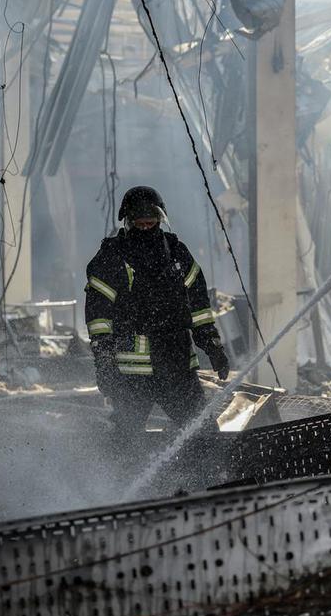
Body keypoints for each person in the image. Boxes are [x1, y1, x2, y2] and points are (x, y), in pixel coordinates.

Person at [85, 186, 230, 439]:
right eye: (139, 224)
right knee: (126, 439)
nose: (145, 229)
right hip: (132, 374)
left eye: (150, 223)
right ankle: (117, 478)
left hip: (176, 366)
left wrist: (213, 345)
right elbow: (98, 316)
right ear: (128, 222)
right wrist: (104, 361)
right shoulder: (112, 258)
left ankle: (211, 477)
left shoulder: (177, 254)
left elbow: (199, 307)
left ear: (159, 221)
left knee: (204, 435)